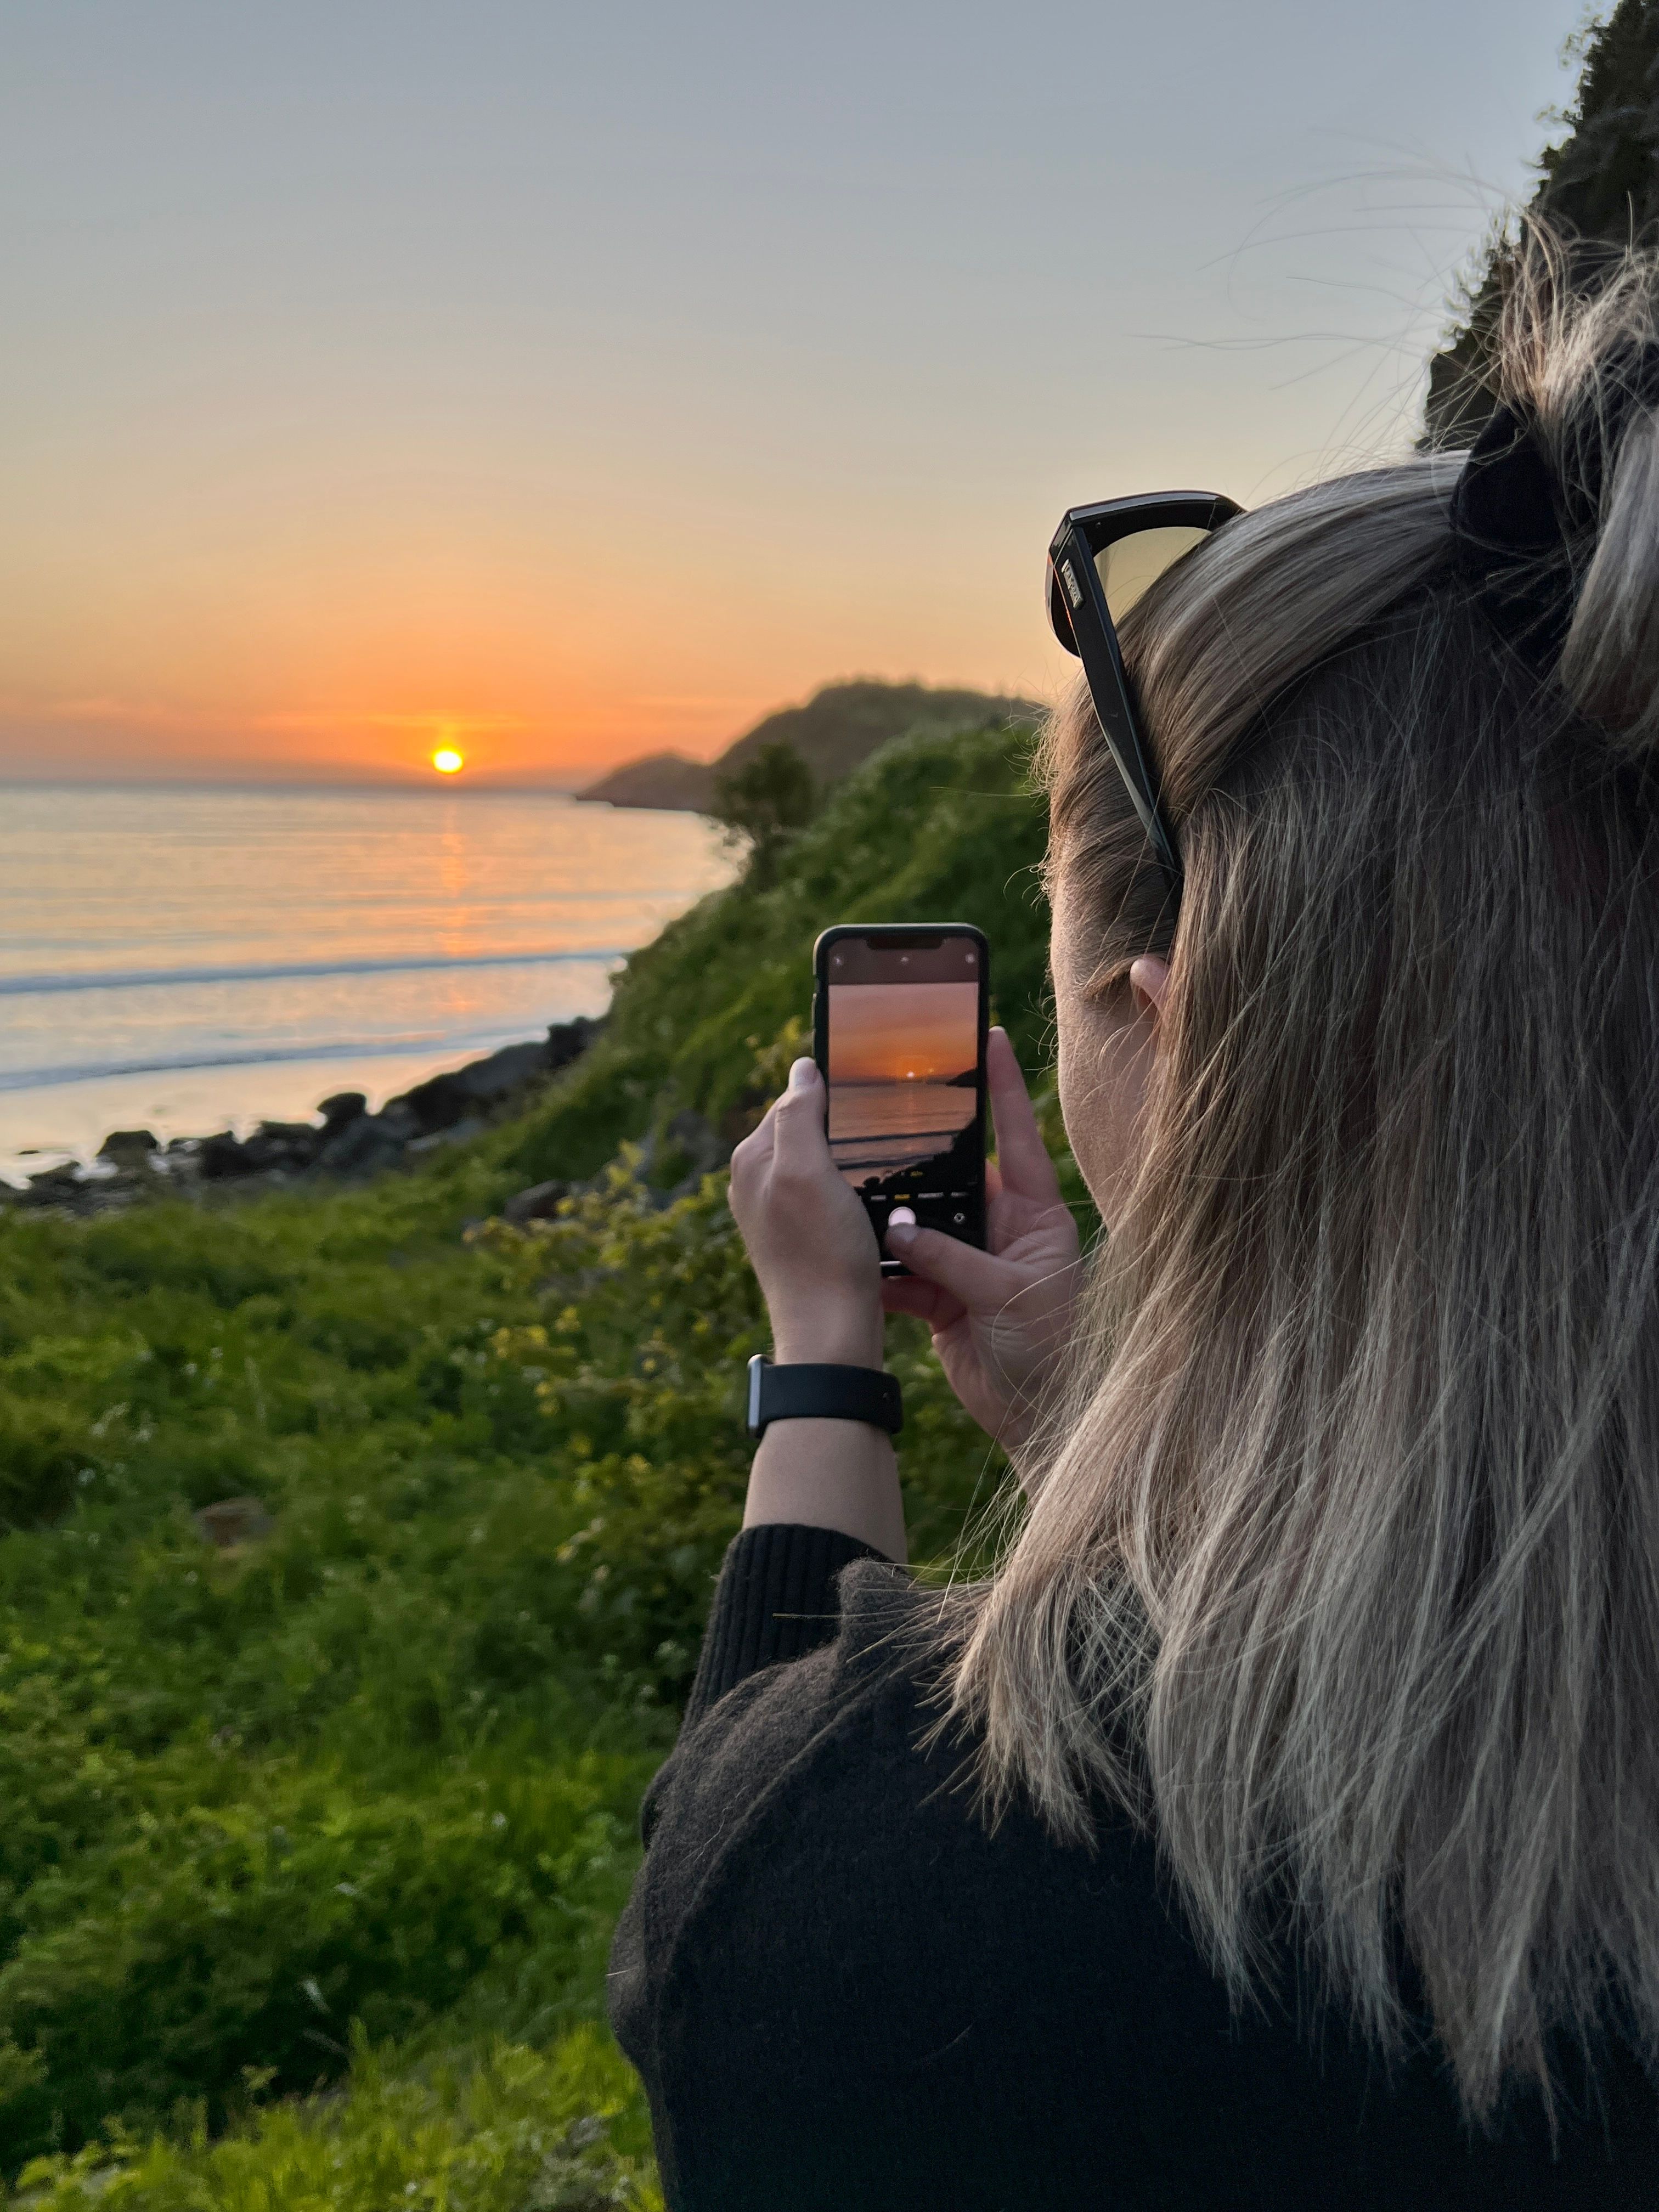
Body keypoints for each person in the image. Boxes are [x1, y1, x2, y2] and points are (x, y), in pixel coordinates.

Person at [607, 227, 1659, 2207]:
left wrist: (823, 1364)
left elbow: (712, 1899)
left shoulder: (931, 1917)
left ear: (1175, 1033)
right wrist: (1103, 1417)